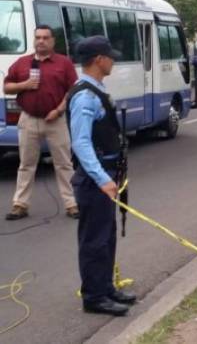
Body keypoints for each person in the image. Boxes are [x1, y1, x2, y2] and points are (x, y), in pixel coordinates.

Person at [66, 36, 136, 316]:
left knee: (106, 236)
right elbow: (81, 143)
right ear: (99, 60)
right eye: (110, 56)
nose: (113, 60)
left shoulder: (96, 90)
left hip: (106, 173)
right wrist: (102, 179)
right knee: (94, 239)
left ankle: (105, 286)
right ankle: (94, 297)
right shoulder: (85, 96)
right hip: (94, 180)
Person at [4, 25, 79, 221]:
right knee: (26, 164)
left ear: (52, 41)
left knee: (63, 164)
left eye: (45, 38)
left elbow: (73, 90)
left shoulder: (63, 63)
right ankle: (20, 205)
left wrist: (59, 110)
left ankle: (72, 204)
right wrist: (25, 85)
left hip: (56, 120)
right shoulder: (22, 63)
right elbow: (7, 87)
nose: (41, 41)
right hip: (29, 119)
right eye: (38, 37)